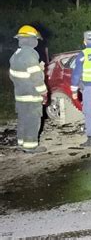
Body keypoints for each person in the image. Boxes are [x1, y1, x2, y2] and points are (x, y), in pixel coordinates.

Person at [9, 25, 48, 153]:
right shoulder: (30, 55)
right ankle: (31, 147)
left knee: (23, 120)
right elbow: (36, 78)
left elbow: (13, 75)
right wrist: (44, 92)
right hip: (32, 96)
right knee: (32, 121)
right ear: (32, 40)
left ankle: (21, 142)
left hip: (20, 95)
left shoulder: (16, 55)